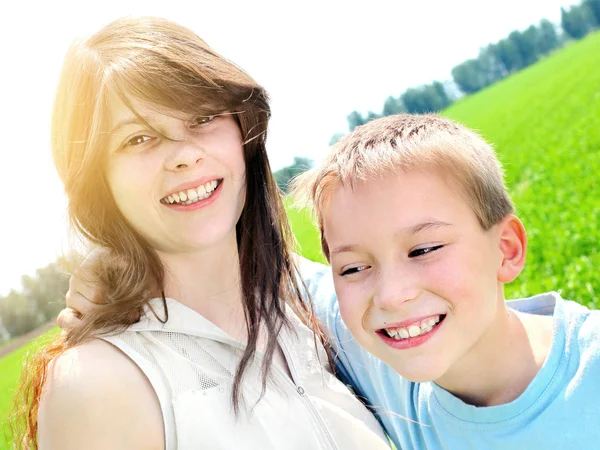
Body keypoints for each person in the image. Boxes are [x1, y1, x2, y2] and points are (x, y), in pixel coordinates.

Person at [13, 16, 391, 450]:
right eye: (138, 139)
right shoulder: (99, 384)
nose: (185, 156)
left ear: (243, 131)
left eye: (203, 117)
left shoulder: (320, 307)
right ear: (98, 182)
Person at [291, 113, 600, 448]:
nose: (392, 296)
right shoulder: (380, 364)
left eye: (423, 250)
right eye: (353, 269)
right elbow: (272, 269)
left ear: (505, 249)